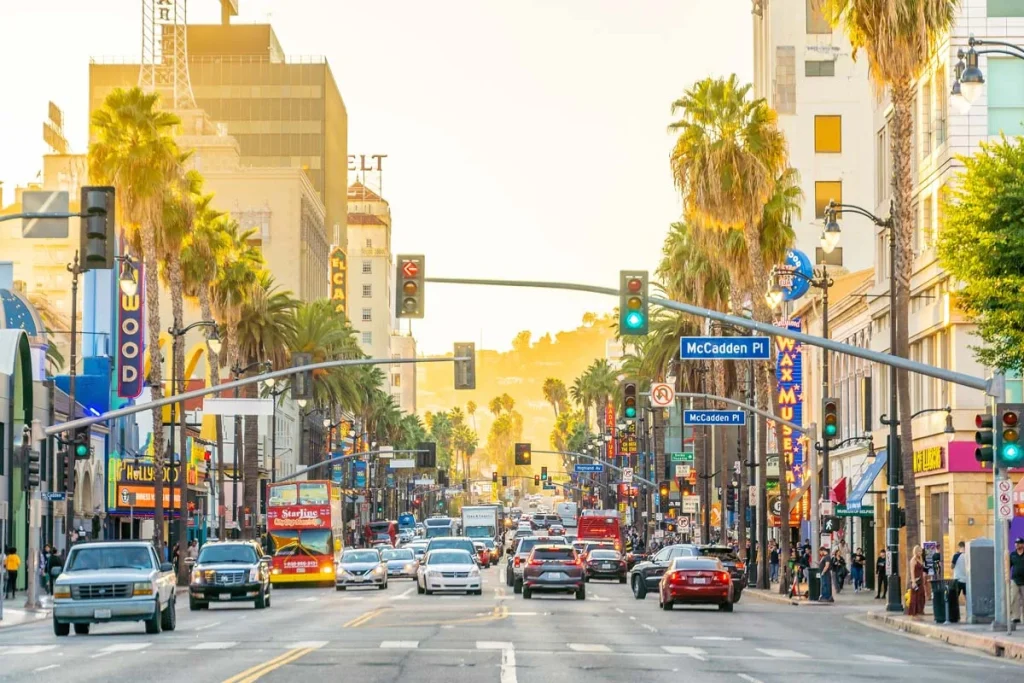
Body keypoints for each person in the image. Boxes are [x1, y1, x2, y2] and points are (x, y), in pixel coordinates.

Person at [905, 545, 927, 618]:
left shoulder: (920, 559)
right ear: (916, 551)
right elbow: (912, 571)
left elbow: (923, 568)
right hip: (916, 580)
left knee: (922, 595)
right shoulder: (913, 560)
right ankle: (914, 611)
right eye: (919, 551)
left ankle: (921, 610)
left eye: (921, 551)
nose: (920, 553)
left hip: (921, 579)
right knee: (915, 597)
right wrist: (913, 582)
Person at [1009, 537, 1024, 624]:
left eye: (1018, 543)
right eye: (1015, 543)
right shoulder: (1012, 554)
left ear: (1023, 544)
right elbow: (1008, 566)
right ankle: (1016, 617)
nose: (1016, 545)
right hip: (1015, 580)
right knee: (1014, 598)